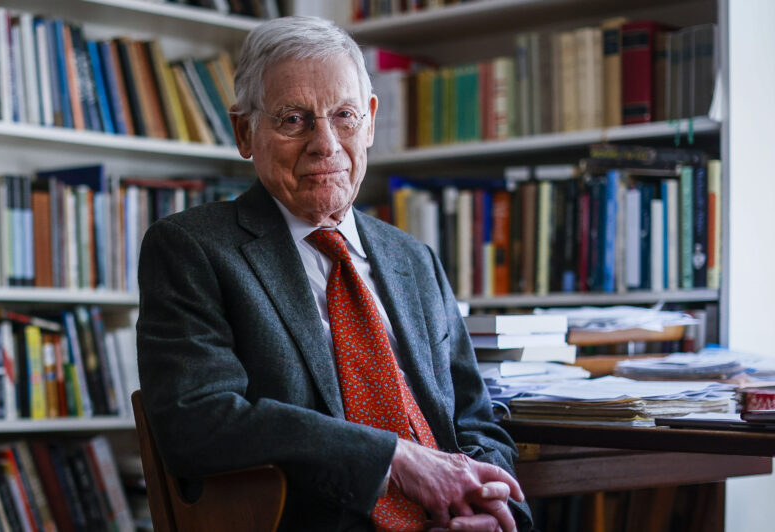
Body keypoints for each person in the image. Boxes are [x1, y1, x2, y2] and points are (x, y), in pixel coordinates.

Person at [136, 15, 534, 532]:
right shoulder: (192, 249)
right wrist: (394, 460)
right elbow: (198, 420)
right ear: (244, 132)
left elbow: (476, 424)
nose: (325, 143)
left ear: (369, 121)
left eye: (343, 115)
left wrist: (494, 506)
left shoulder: (414, 259)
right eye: (293, 120)